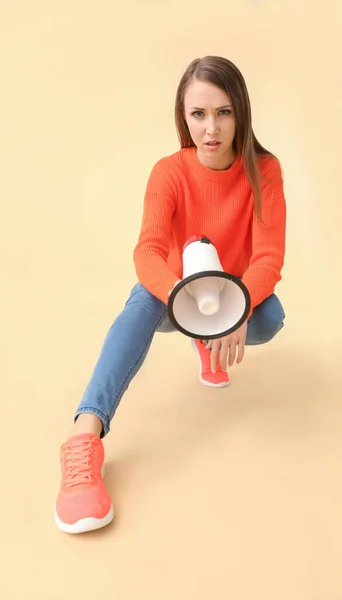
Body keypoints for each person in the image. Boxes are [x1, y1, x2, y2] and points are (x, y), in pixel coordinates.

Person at [54, 55, 286, 534]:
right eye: (198, 114)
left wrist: (236, 307)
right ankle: (84, 435)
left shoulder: (264, 170)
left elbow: (268, 258)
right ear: (183, 117)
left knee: (268, 320)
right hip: (175, 293)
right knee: (140, 301)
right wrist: (179, 295)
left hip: (230, 293)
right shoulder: (169, 172)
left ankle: (211, 340)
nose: (211, 128)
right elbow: (148, 252)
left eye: (223, 112)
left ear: (241, 111)